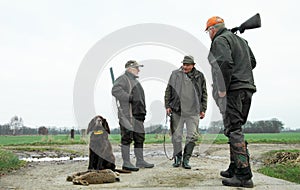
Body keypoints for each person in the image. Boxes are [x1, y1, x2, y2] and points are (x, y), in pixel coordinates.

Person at [205, 16, 256, 188]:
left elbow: (224, 63)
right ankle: (235, 167)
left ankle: (243, 175)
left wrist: (222, 88)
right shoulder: (241, 40)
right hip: (247, 88)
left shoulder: (220, 40)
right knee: (235, 129)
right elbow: (253, 62)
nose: (209, 35)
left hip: (232, 90)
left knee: (234, 130)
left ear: (212, 30)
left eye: (208, 32)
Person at [164, 55, 207, 169]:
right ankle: (178, 158)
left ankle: (186, 159)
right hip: (177, 110)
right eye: (184, 64)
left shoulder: (199, 76)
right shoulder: (175, 74)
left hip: (193, 111)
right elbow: (169, 90)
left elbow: (204, 93)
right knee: (176, 136)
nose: (185, 67)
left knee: (192, 136)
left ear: (193, 65)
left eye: (187, 65)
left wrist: (203, 109)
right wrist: (167, 105)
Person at [112, 60, 154, 171]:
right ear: (129, 68)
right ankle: (126, 163)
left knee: (139, 137)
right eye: (136, 68)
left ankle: (140, 161)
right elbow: (115, 90)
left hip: (138, 115)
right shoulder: (123, 79)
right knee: (127, 137)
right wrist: (129, 97)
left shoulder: (134, 81)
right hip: (128, 114)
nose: (138, 70)